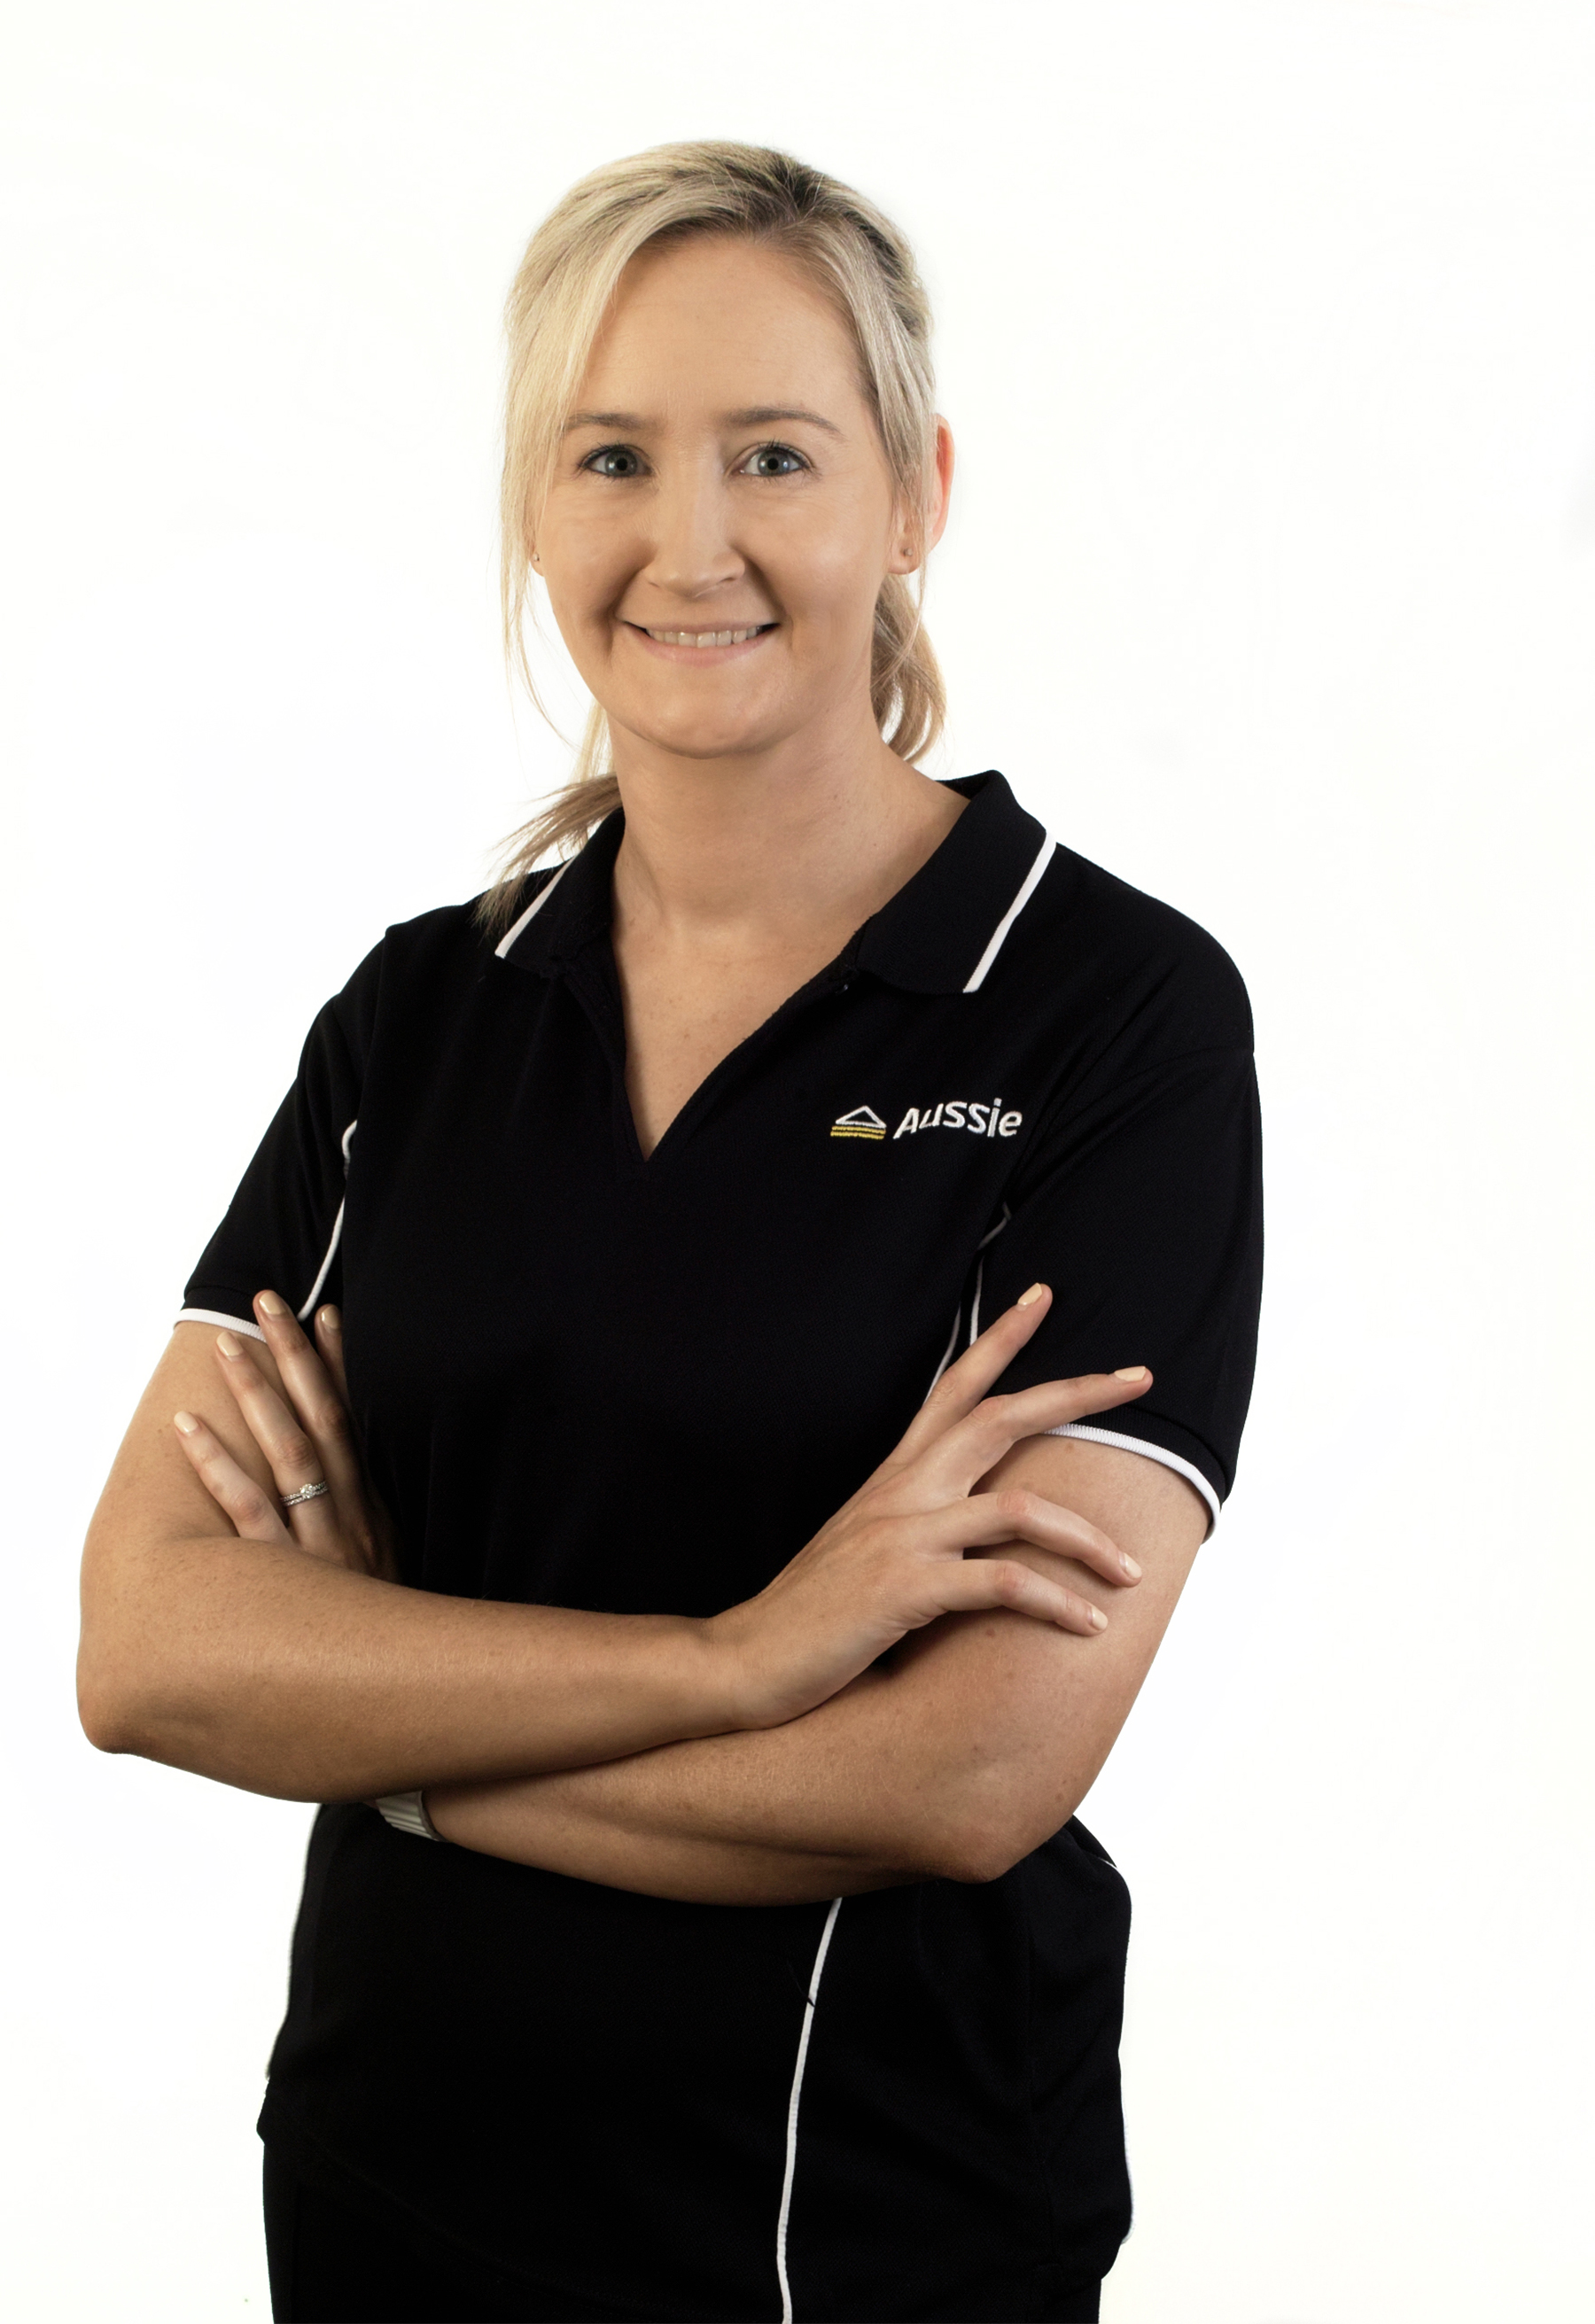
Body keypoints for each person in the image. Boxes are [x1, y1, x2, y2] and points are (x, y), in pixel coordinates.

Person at [78, 143, 1263, 2324]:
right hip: (385, 2179)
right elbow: (148, 1649)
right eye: (612, 455)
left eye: (775, 456)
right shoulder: (421, 1016)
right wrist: (740, 1661)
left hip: (856, 2218)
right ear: (538, 509)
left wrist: (385, 1731)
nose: (687, 542)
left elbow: (971, 1767)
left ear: (913, 497)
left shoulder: (1107, 1014)